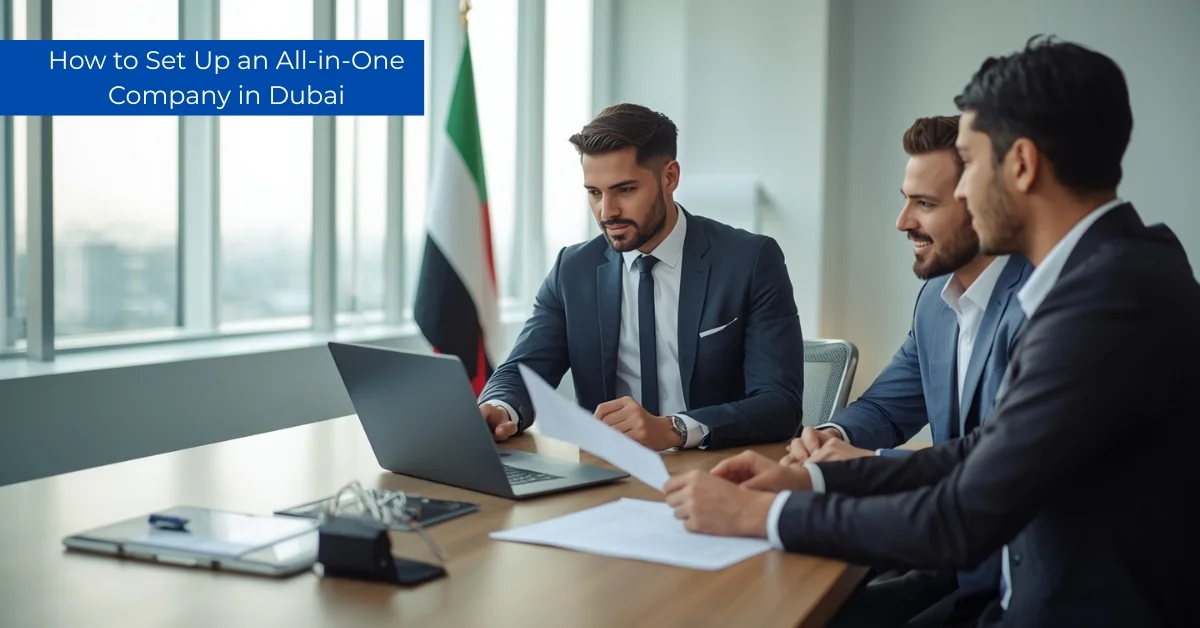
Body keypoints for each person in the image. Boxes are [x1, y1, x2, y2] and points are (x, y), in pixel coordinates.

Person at [663, 36, 1200, 627]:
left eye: (969, 165)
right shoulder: (1111, 272)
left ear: (1020, 164)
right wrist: (812, 476)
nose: (964, 191)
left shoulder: (1107, 299)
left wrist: (757, 517)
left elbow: (959, 519)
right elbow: (981, 453)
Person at [782, 115, 1031, 627]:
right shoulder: (936, 305)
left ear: (982, 202)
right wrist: (832, 435)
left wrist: (865, 463)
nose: (902, 221)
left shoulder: (1037, 307)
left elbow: (993, 468)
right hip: (947, 560)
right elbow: (885, 405)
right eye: (906, 198)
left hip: (1005, 574)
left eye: (924, 204)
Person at [478, 103, 805, 451]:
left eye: (625, 190)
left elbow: (779, 403)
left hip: (718, 469)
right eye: (594, 192)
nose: (607, 212)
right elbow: (522, 369)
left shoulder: (749, 261)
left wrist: (675, 429)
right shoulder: (573, 270)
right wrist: (499, 408)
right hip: (608, 473)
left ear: (670, 177)